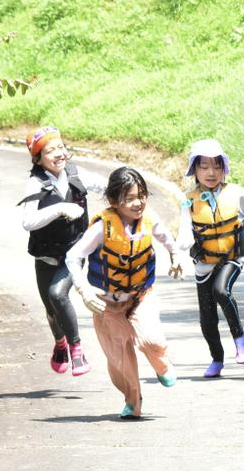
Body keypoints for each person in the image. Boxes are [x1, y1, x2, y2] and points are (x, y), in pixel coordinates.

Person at [66, 166, 183, 420]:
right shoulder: (102, 228)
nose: (138, 203)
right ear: (113, 201)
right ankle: (133, 402)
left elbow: (167, 239)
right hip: (107, 305)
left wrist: (175, 257)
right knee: (121, 357)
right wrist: (83, 290)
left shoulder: (149, 220)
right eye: (129, 198)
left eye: (141, 195)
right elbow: (73, 257)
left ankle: (161, 363)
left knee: (152, 340)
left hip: (141, 297)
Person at [176, 139, 244, 377]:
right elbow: (184, 229)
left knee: (221, 290)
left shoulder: (235, 193)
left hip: (232, 255)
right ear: (194, 170)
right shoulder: (188, 199)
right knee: (207, 319)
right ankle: (217, 359)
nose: (211, 172)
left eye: (217, 166)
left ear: (224, 169)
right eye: (204, 166)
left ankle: (240, 336)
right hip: (204, 263)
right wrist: (179, 249)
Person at [18, 126, 105, 377]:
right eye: (50, 150)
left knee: (58, 294)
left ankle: (77, 350)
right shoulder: (35, 183)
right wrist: (59, 209)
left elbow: (107, 187)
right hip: (45, 255)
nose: (58, 154)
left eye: (60, 147)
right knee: (50, 309)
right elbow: (28, 221)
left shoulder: (76, 174)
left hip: (73, 253)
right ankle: (60, 343)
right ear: (38, 158)